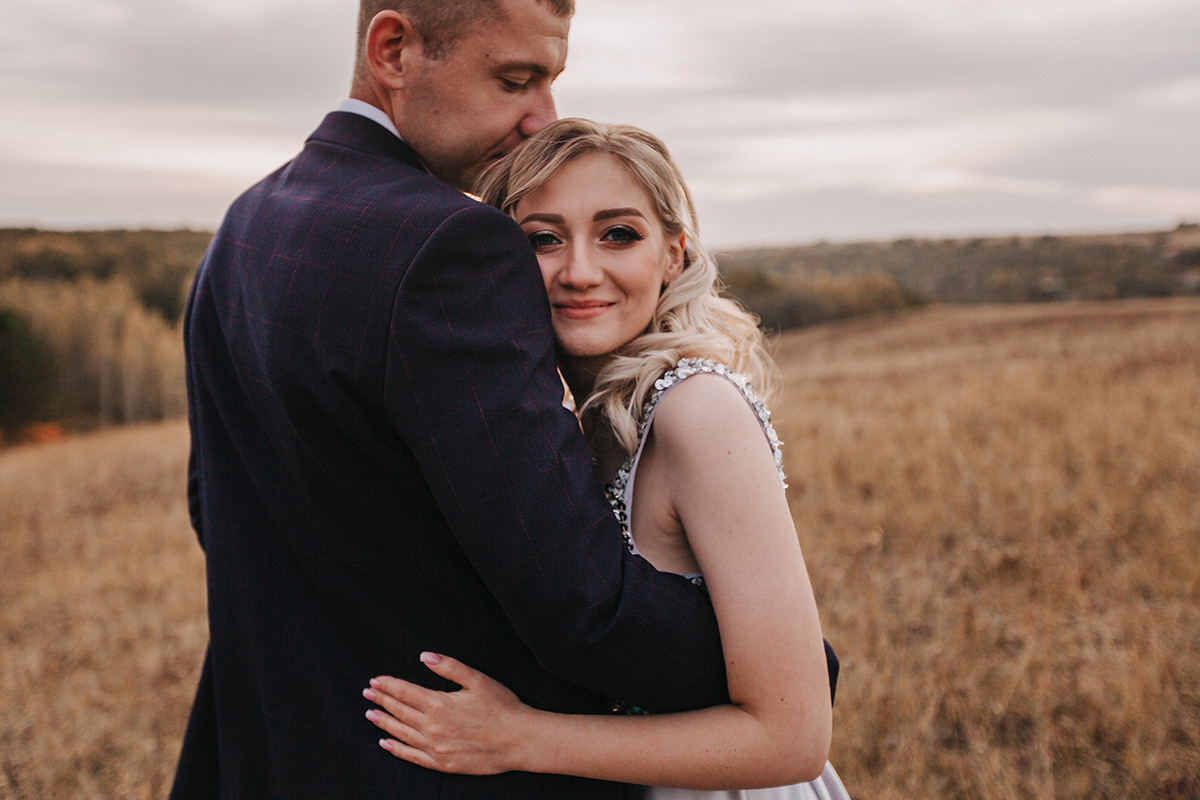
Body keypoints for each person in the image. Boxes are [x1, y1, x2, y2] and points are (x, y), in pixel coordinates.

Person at [171, 3, 746, 798]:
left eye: (550, 81)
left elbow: (215, 509)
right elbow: (579, 606)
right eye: (515, 80)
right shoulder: (449, 246)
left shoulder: (246, 224)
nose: (543, 117)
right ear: (394, 51)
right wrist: (770, 664)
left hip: (268, 757)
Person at [362, 118, 851, 798]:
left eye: (618, 234)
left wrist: (518, 738)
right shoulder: (560, 421)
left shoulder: (697, 412)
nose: (580, 272)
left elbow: (793, 736)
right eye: (543, 239)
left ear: (673, 256)